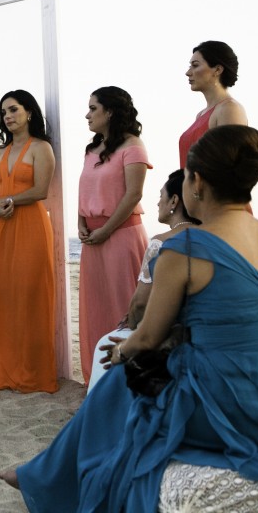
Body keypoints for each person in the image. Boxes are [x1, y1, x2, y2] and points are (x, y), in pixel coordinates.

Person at [0, 125, 258, 511]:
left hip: (221, 401)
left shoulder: (185, 246)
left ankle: (42, 479)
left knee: (122, 376)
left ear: (196, 183)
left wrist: (124, 350)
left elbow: (146, 336)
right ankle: (39, 472)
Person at [0, 90, 58, 393]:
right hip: (1, 227)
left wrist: (6, 200)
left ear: (29, 112)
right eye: (4, 112)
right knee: (1, 294)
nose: (8, 116)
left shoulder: (41, 148)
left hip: (30, 225)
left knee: (27, 295)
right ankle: (1, 366)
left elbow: (40, 191)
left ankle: (29, 369)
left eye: (14, 110)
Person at [86, 169, 199, 393]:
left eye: (160, 197)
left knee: (105, 344)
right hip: (197, 333)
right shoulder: (211, 235)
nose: (157, 203)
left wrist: (132, 327)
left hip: (165, 334)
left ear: (174, 201)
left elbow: (140, 303)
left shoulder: (161, 243)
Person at [77, 86, 151, 384]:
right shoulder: (91, 149)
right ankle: (95, 377)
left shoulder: (133, 145)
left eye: (93, 108)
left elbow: (133, 194)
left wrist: (106, 230)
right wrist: (81, 222)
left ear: (110, 111)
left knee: (123, 305)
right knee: (95, 308)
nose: (88, 114)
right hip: (92, 240)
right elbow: (85, 189)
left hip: (121, 236)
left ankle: (125, 378)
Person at [178, 40, 247, 167]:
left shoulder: (230, 109)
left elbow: (231, 167)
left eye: (195, 65)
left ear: (218, 70)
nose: (188, 72)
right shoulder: (200, 115)